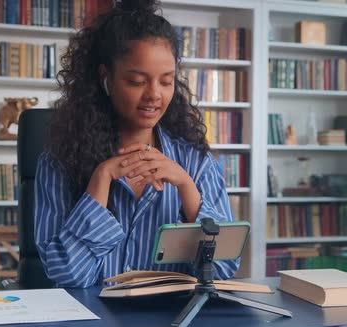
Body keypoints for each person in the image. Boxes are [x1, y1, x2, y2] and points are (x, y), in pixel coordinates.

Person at [34, 0, 239, 288]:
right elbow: (69, 275)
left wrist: (186, 188)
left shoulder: (196, 162)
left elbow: (225, 269)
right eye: (136, 81)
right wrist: (100, 180)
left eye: (166, 82)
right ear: (107, 79)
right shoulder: (59, 161)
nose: (154, 95)